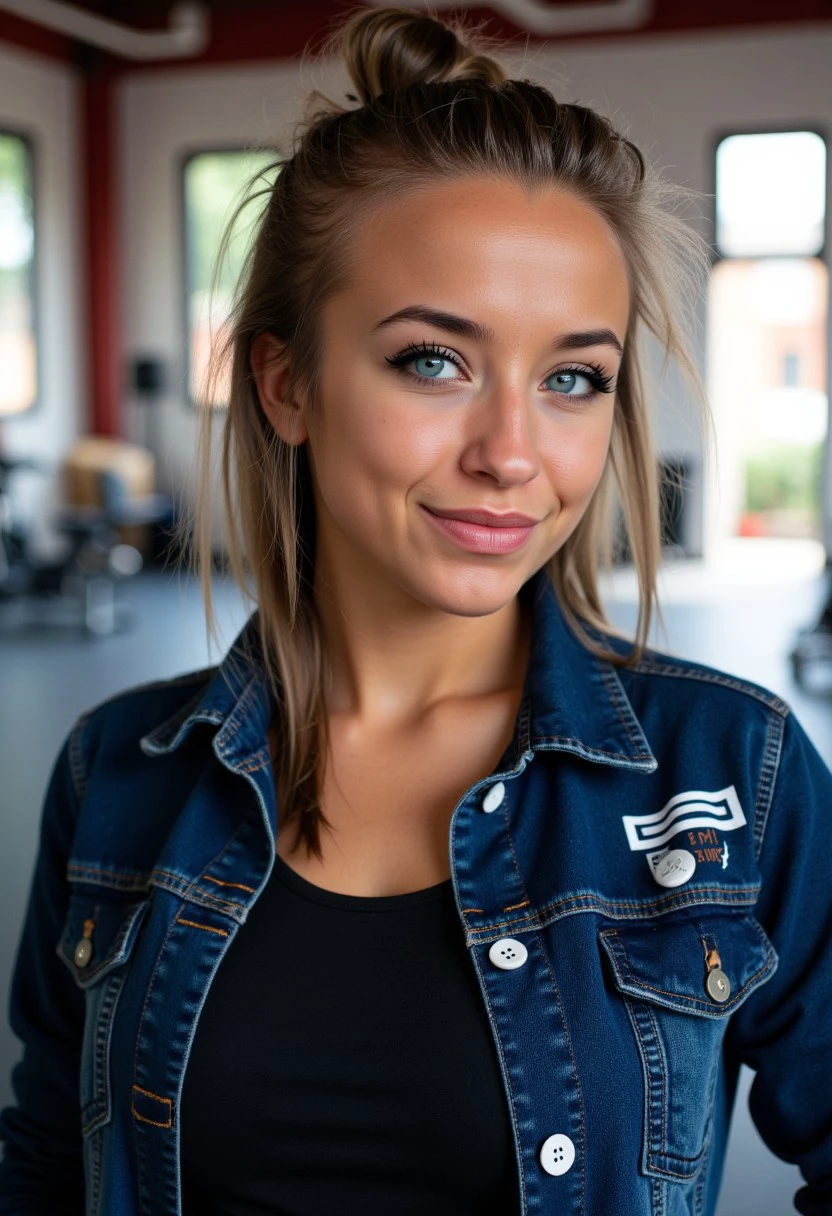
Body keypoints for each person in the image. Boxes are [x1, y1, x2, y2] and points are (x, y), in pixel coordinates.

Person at [1, 7, 831, 1215]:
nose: (512, 453)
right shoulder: (117, 774)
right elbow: (43, 1161)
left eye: (571, 379)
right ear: (285, 384)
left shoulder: (733, 777)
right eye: (433, 360)